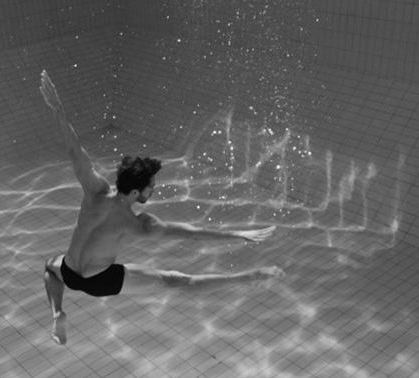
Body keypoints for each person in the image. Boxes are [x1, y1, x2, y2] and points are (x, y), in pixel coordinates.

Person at [40, 70, 284, 345]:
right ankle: (250, 277)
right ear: (135, 191)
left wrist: (58, 110)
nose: (153, 190)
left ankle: (57, 312)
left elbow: (76, 153)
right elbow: (191, 233)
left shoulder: (94, 192)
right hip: (100, 281)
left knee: (50, 267)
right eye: (150, 187)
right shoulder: (138, 224)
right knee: (177, 281)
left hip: (70, 273)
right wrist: (237, 235)